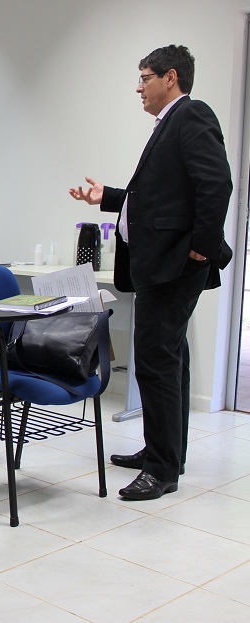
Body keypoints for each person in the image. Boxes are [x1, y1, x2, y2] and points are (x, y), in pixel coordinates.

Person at [69, 45, 232, 501]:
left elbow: (216, 183)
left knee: (156, 360)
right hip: (166, 261)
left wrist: (201, 247)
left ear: (171, 78)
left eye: (145, 78)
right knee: (167, 360)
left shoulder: (192, 115)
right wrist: (108, 197)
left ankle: (161, 470)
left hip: (176, 263)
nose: (138, 87)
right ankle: (165, 452)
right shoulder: (170, 124)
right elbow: (162, 199)